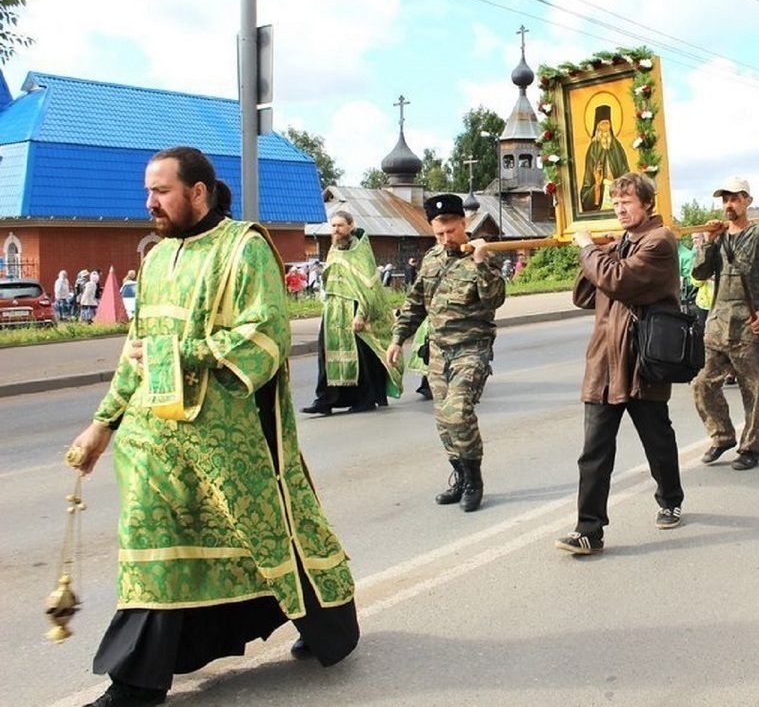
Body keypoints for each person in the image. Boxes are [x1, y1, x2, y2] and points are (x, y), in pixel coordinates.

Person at [67, 146, 358, 707]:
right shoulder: (153, 258)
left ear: (197, 192)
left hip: (222, 435)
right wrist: (101, 427)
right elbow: (137, 352)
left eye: (161, 191)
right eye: (148, 191)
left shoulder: (243, 249)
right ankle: (136, 684)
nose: (149, 202)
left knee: (263, 533)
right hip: (153, 440)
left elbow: (265, 337)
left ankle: (328, 625)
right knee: (155, 547)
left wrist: (184, 353)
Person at [555, 172, 685, 555]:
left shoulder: (660, 242)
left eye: (627, 201)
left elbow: (617, 282)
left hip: (641, 359)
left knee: (656, 440)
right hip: (604, 362)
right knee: (594, 450)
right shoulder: (622, 244)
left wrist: (588, 250)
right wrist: (599, 251)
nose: (620, 208)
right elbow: (583, 294)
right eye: (616, 203)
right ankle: (589, 530)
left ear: (646, 204)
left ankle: (670, 498)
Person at [387, 194, 506, 513]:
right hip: (439, 351)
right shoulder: (432, 258)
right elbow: (415, 303)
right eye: (439, 233)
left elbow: (494, 300)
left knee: (458, 412)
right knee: (443, 420)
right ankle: (460, 475)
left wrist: (481, 262)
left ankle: (475, 481)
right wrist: (398, 338)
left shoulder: (485, 255)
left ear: (463, 224)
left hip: (472, 348)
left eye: (451, 231)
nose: (445, 238)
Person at [690, 176, 759, 471]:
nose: (729, 204)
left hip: (749, 326)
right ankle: (722, 436)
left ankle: (750, 447)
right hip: (719, 325)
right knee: (702, 385)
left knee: (754, 388)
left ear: (747, 201)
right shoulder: (717, 236)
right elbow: (698, 273)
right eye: (725, 199)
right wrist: (707, 242)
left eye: (734, 198)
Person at [301, 211, 403, 416]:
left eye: (340, 225)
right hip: (333, 311)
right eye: (333, 226)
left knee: (361, 357)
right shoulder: (333, 249)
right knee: (326, 355)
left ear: (350, 226)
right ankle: (325, 399)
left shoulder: (360, 251)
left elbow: (369, 286)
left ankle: (365, 398)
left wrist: (361, 314)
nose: (336, 230)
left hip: (355, 309)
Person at [579, 104, 631, 211]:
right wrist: (597, 184)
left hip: (617, 189)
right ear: (597, 127)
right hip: (601, 190)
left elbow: (624, 168)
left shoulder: (617, 146)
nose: (605, 127)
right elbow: (589, 177)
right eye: (602, 124)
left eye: (607, 124)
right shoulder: (593, 148)